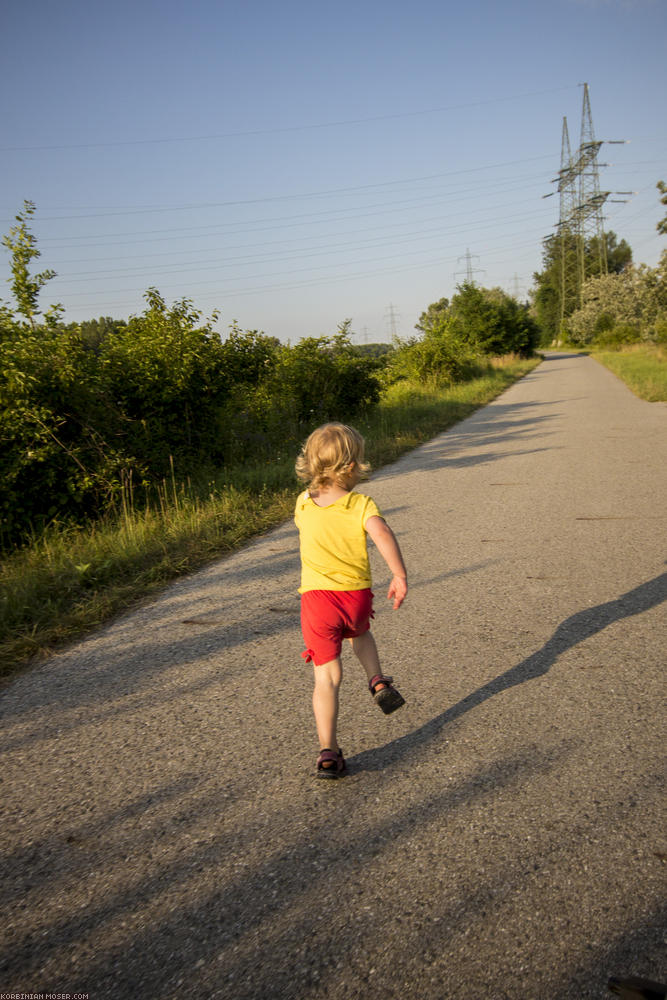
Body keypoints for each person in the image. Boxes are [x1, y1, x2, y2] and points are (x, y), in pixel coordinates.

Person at [294, 422, 408, 779]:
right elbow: (382, 533)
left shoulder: (302, 503)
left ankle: (328, 752)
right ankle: (377, 680)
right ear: (349, 467)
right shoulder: (360, 503)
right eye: (359, 461)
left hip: (317, 602)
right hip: (354, 598)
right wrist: (399, 575)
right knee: (361, 635)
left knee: (326, 678)